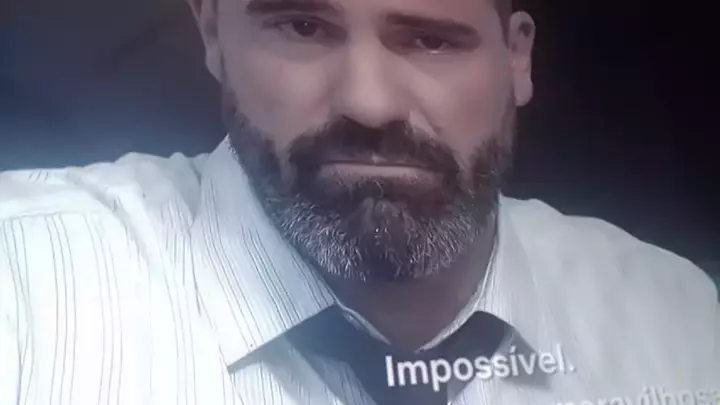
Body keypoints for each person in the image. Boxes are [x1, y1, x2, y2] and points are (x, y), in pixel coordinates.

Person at [1, 0, 718, 403]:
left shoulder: (682, 318)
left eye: (432, 40)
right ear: (213, 31)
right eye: (301, 28)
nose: (369, 104)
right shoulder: (23, 283)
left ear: (517, 57)